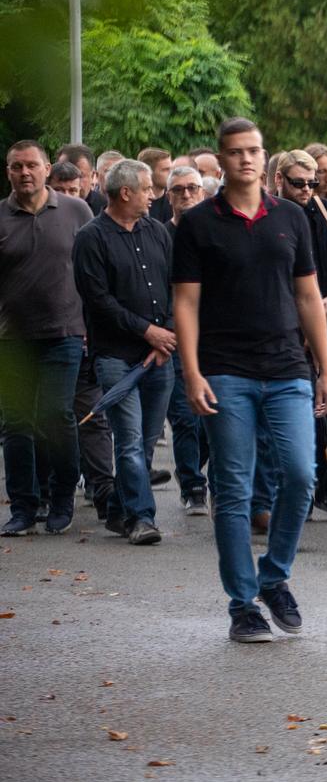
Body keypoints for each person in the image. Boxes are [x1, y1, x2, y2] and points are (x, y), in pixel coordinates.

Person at [172, 117, 327, 643]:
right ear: (220, 160)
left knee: (301, 475)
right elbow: (186, 303)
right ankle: (242, 603)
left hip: (287, 366)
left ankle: (275, 575)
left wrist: (326, 369)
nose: (246, 159)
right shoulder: (198, 224)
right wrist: (191, 371)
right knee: (235, 490)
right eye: (236, 152)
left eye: (254, 150)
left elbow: (309, 296)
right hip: (225, 371)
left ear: (265, 157)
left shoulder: (291, 216)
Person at [72, 158, 176, 546]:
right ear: (126, 191)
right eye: (147, 188)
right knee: (129, 440)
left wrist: (166, 335)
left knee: (146, 443)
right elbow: (98, 301)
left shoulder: (157, 232)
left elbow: (172, 286)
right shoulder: (91, 238)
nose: (154, 195)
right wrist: (148, 332)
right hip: (116, 356)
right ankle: (141, 518)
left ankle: (117, 508)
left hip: (160, 354)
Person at [0, 140, 94, 536]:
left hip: (65, 332)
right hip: (12, 339)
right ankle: (23, 507)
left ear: (46, 169)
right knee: (17, 422)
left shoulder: (76, 210)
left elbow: (94, 272)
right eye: (17, 166)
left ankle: (60, 498)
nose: (25, 173)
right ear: (8, 172)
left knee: (56, 416)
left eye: (32, 166)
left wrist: (94, 325)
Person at [277, 149, 327, 522]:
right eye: (298, 183)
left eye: (313, 183)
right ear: (280, 181)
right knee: (298, 411)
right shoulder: (271, 217)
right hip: (285, 332)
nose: (308, 189)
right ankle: (298, 490)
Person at [162, 166, 210, 515]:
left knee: (215, 416)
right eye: (178, 190)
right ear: (169, 197)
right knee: (184, 416)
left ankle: (200, 467)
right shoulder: (159, 236)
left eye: (193, 188)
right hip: (176, 338)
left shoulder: (215, 235)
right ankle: (193, 484)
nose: (186, 195)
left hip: (216, 337)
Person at [139, 147, 174, 223]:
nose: (171, 174)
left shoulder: (175, 199)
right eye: (165, 170)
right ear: (149, 172)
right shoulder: (136, 203)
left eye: (171, 169)